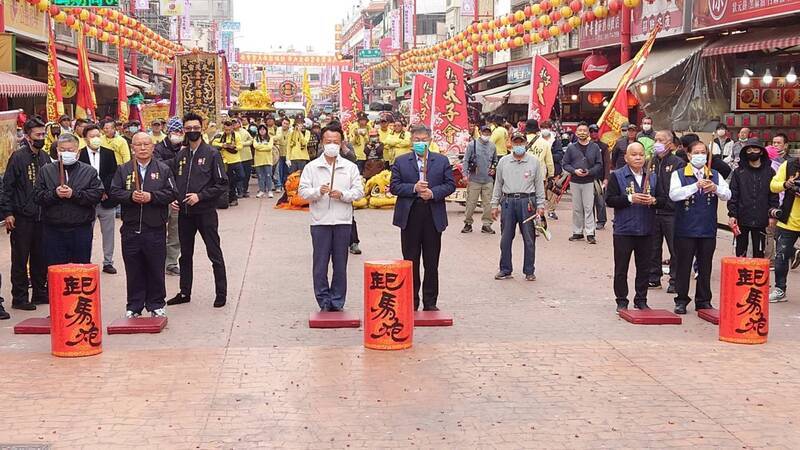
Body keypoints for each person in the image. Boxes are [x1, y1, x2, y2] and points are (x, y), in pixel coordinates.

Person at [110, 132, 177, 319]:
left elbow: (172, 192)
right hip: (131, 228)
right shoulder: (124, 170)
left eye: (146, 144)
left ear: (152, 147)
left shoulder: (163, 169)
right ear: (132, 147)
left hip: (154, 227)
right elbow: (114, 192)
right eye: (138, 144)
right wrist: (130, 196)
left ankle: (156, 303)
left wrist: (152, 197)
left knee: (155, 267)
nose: (142, 148)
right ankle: (134, 305)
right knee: (133, 268)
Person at [167, 112, 229, 308]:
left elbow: (221, 184)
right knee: (185, 255)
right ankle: (185, 291)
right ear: (184, 130)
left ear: (201, 129)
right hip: (185, 213)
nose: (192, 131)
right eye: (188, 129)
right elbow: (175, 182)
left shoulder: (211, 153)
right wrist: (174, 199)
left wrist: (200, 196)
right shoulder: (181, 155)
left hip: (205, 212)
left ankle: (221, 293)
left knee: (214, 253)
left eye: (195, 128)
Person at [298, 125, 364, 312]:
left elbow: (358, 192)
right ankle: (323, 300)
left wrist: (342, 194)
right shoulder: (312, 167)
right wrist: (317, 192)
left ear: (342, 143)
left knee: (340, 264)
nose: (332, 145)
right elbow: (302, 192)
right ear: (322, 143)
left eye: (336, 142)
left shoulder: (349, 167)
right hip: (320, 222)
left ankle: (337, 300)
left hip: (343, 222)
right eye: (328, 142)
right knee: (320, 264)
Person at [390, 125, 456, 311]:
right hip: (410, 215)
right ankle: (411, 301)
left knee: (431, 261)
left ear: (430, 140)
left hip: (432, 215)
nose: (420, 143)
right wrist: (414, 188)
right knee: (410, 261)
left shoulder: (441, 161)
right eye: (417, 139)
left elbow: (450, 185)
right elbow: (394, 186)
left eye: (423, 139)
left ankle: (430, 302)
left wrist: (433, 193)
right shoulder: (401, 161)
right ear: (411, 141)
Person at [669, 141, 731, 314]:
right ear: (689, 155)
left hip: (707, 228)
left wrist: (716, 188)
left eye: (703, 152)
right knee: (683, 264)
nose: (700, 155)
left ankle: (703, 300)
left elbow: (728, 194)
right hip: (685, 228)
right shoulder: (679, 174)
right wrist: (695, 186)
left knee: (705, 265)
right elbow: (674, 195)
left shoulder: (715, 174)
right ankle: (681, 299)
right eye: (696, 152)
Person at [1, 116, 50, 311]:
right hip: (21, 217)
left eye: (43, 134)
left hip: (42, 216)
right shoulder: (18, 157)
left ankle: (39, 292)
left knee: (40, 257)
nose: (41, 137)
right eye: (38, 135)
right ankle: (19, 297)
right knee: (20, 259)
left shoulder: (45, 157)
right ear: (28, 137)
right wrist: (8, 212)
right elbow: (7, 187)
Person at [33, 133, 104, 266]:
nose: (66, 153)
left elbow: (97, 194)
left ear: (77, 152)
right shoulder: (46, 171)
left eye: (70, 150)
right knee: (56, 270)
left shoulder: (89, 171)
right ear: (57, 151)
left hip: (80, 228)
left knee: (80, 269)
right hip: (53, 229)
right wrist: (54, 194)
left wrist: (74, 194)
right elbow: (37, 196)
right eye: (62, 150)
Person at [605, 142, 658, 311]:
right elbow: (609, 199)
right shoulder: (618, 176)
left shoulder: (652, 176)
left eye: (641, 154)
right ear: (626, 158)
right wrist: (629, 199)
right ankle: (621, 300)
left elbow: (663, 199)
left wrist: (654, 201)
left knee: (644, 267)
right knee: (621, 267)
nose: (638, 158)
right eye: (634, 155)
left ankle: (641, 299)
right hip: (624, 230)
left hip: (647, 229)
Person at [491, 132, 546, 281]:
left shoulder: (533, 162)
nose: (518, 146)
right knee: (506, 238)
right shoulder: (503, 162)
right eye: (516, 143)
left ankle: (529, 270)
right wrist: (494, 204)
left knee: (529, 238)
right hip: (508, 202)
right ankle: (505, 269)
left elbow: (539, 185)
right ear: (510, 144)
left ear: (525, 144)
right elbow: (498, 184)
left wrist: (541, 205)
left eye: (521, 143)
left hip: (527, 202)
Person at [727, 139, 779, 258]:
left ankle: (757, 276)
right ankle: (740, 275)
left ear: (761, 152)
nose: (752, 152)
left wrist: (772, 214)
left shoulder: (769, 172)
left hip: (761, 217)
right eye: (749, 150)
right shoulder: (739, 172)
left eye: (755, 149)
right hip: (742, 216)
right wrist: (732, 214)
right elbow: (733, 195)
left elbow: (773, 194)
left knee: (759, 252)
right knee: (741, 252)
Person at [79, 124, 119, 274]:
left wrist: (104, 191)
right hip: (87, 202)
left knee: (108, 232)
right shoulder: (80, 155)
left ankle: (108, 262)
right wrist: (93, 193)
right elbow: (80, 178)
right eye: (92, 136)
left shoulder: (109, 153)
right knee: (85, 232)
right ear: (85, 139)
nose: (95, 139)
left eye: (97, 135)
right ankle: (85, 260)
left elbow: (112, 174)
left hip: (107, 200)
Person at [649, 130, 686, 292]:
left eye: (660, 140)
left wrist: (665, 202)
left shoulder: (678, 163)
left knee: (675, 248)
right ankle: (653, 277)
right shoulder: (651, 161)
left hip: (672, 213)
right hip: (653, 211)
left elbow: (679, 189)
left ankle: (675, 281)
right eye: (655, 140)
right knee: (653, 247)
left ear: (670, 144)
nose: (657, 143)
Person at [562, 122, 603, 244]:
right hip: (575, 181)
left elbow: (599, 164)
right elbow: (565, 164)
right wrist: (574, 171)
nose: (582, 133)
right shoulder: (571, 148)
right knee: (577, 208)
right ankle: (577, 232)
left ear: (588, 133)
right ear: (576, 132)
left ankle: (590, 233)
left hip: (589, 181)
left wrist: (589, 172)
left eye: (584, 130)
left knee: (589, 207)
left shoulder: (594, 147)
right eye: (580, 130)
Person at [154, 116, 184, 276]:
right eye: (174, 131)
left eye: (180, 131)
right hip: (163, 194)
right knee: (159, 229)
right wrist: (178, 160)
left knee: (175, 230)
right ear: (168, 131)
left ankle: (171, 262)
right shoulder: (159, 148)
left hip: (180, 194)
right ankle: (157, 261)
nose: (177, 134)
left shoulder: (185, 147)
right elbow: (159, 167)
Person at [462, 125, 497, 234]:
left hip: (488, 179)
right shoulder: (472, 145)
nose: (486, 135)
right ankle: (468, 223)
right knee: (471, 203)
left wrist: (493, 169)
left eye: (488, 133)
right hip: (474, 179)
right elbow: (466, 160)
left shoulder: (492, 146)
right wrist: (464, 174)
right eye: (484, 132)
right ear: (480, 132)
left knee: (488, 204)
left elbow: (495, 160)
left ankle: (486, 224)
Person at [211, 120, 243, 207]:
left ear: (232, 128)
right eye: (226, 130)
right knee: (229, 180)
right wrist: (223, 145)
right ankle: (232, 198)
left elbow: (240, 146)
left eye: (229, 130)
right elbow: (213, 143)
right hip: (226, 161)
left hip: (236, 159)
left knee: (241, 176)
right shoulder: (220, 135)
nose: (227, 131)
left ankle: (234, 192)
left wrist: (234, 146)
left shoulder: (236, 135)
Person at [589, 124, 609, 230]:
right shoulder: (586, 145)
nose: (593, 134)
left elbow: (607, 163)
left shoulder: (603, 146)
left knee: (600, 201)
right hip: (588, 177)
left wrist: (606, 178)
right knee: (589, 201)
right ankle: (590, 220)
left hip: (599, 178)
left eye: (595, 131)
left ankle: (601, 221)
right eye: (591, 132)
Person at [253, 124, 275, 198]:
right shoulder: (255, 138)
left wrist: (260, 147)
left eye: (263, 129)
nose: (262, 131)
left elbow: (269, 147)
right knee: (260, 176)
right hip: (258, 161)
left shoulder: (270, 138)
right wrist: (263, 146)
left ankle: (270, 191)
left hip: (267, 160)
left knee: (268, 176)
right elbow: (255, 146)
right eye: (260, 130)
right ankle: (261, 190)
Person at [234, 118, 254, 198]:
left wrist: (243, 144)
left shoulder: (244, 131)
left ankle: (245, 190)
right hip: (237, 157)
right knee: (239, 175)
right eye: (233, 123)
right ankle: (239, 191)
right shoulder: (231, 133)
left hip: (246, 156)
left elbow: (251, 140)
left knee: (247, 174)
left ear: (239, 124)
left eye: (236, 123)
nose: (234, 125)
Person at [274, 118, 291, 190]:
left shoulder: (291, 131)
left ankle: (286, 185)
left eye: (287, 124)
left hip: (288, 154)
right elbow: (278, 137)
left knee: (287, 171)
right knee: (279, 170)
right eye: (284, 123)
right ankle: (279, 185)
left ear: (289, 125)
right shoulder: (278, 129)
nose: (285, 125)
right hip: (279, 153)